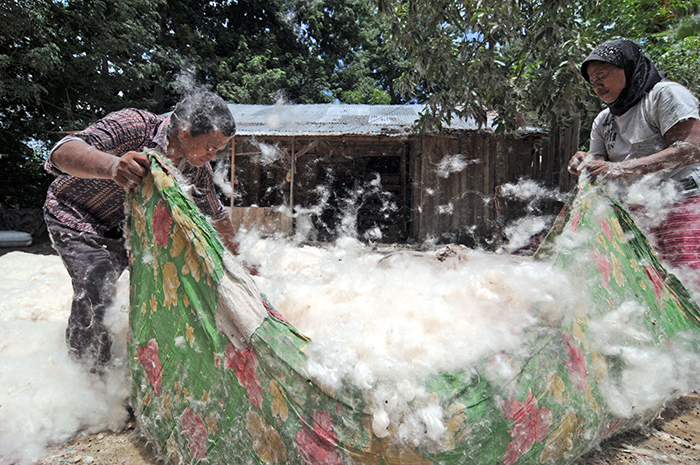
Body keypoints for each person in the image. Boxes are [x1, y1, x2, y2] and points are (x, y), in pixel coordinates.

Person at [44, 89, 240, 373]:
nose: (213, 155)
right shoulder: (135, 125)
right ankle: (86, 375)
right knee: (97, 280)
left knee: (165, 285)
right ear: (184, 130)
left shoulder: (198, 171)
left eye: (218, 149)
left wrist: (238, 258)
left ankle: (143, 364)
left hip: (127, 231)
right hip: (74, 215)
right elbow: (61, 152)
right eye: (210, 145)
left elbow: (216, 213)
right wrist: (113, 166)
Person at [568, 39, 700, 288]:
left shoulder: (664, 95)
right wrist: (584, 162)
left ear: (627, 68)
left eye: (602, 75)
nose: (597, 84)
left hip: (681, 201)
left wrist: (620, 169)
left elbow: (692, 150)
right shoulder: (604, 120)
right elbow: (599, 162)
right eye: (592, 81)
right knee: (651, 282)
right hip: (639, 209)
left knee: (688, 276)